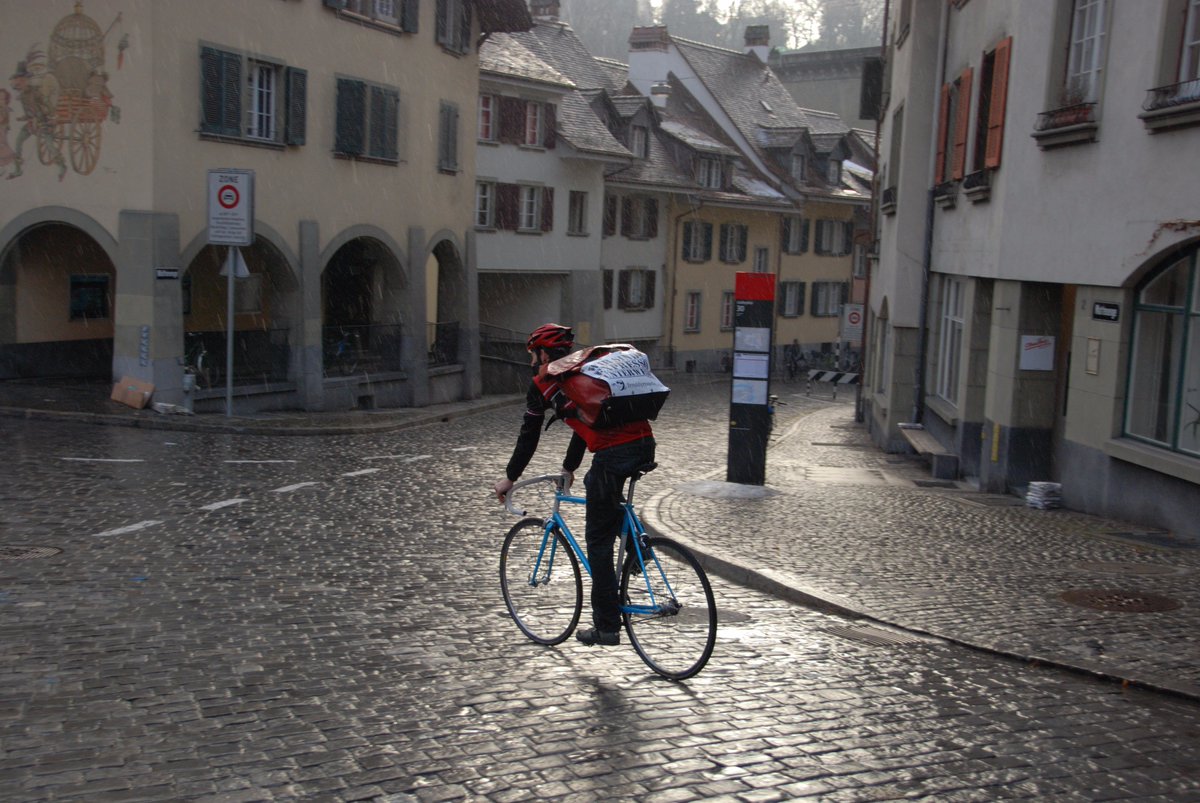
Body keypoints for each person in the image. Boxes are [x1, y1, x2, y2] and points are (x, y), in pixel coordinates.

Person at [494, 323, 656, 647]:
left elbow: (529, 436)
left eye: (533, 355)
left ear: (544, 353)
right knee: (601, 489)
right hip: (643, 444)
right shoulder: (585, 372)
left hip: (614, 454)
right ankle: (639, 545)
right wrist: (568, 468)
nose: (531, 363)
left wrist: (510, 477)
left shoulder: (547, 383)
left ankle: (607, 626)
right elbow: (585, 425)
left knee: (597, 542)